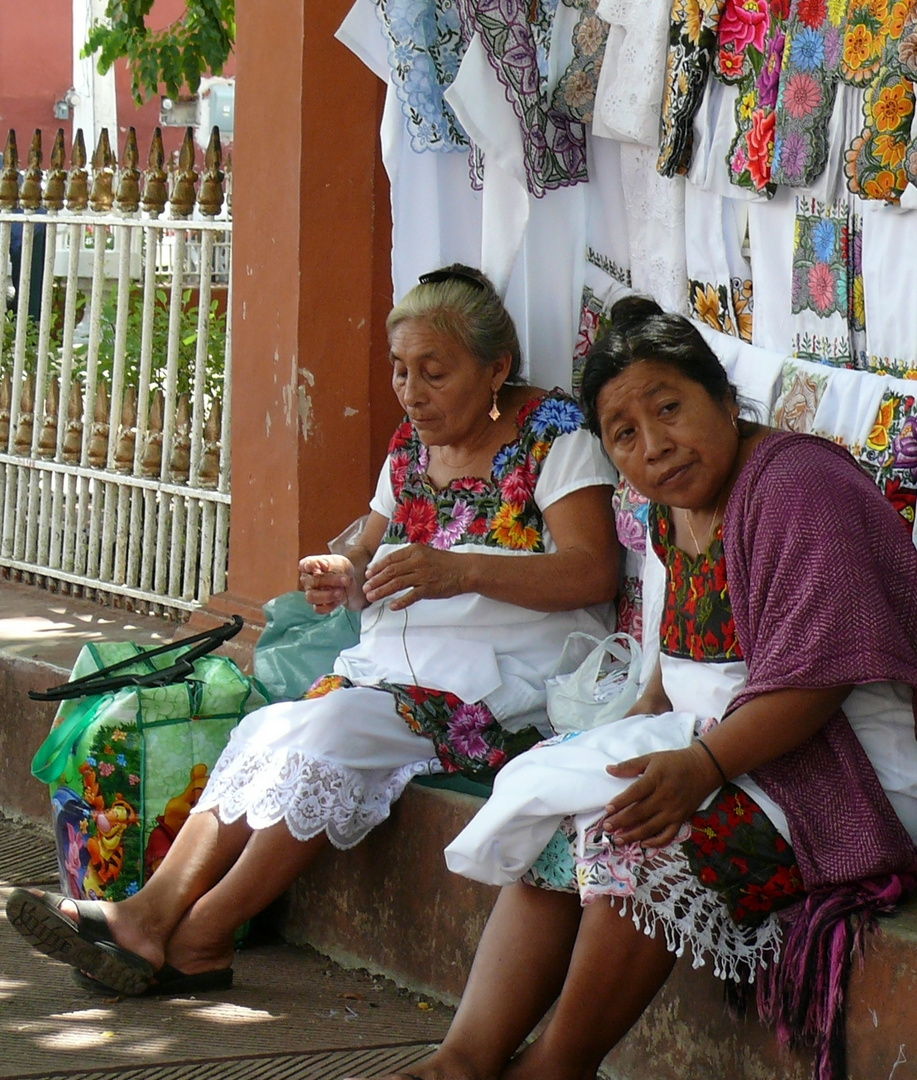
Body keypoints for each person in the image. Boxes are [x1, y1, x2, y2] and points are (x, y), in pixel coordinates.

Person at [368, 299, 917, 1080]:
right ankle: (464, 1058)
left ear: (723, 398)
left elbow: (820, 681)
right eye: (625, 433)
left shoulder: (797, 486)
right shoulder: (670, 512)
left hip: (849, 776)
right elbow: (675, 669)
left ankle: (558, 1065)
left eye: (670, 408)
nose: (656, 445)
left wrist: (696, 769)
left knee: (639, 847)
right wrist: (619, 746)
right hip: (729, 753)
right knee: (565, 823)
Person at [7, 265, 622, 997]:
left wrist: (457, 572)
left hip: (502, 683)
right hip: (394, 670)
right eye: (400, 371)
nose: (412, 392)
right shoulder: (412, 446)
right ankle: (151, 916)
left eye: (434, 372)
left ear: (497, 368)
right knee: (269, 732)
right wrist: (343, 571)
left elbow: (593, 574)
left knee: (330, 733)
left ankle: (200, 934)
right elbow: (367, 549)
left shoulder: (554, 437)